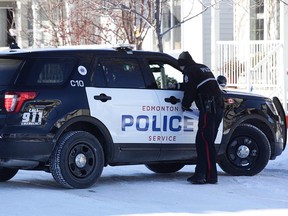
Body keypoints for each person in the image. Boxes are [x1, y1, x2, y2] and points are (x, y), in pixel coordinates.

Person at [177, 51, 224, 184]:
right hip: (218, 107)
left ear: (183, 64)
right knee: (208, 142)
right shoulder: (201, 67)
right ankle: (207, 174)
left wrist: (185, 105)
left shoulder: (189, 71)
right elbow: (200, 84)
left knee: (204, 142)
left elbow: (190, 90)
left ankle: (205, 175)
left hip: (209, 109)